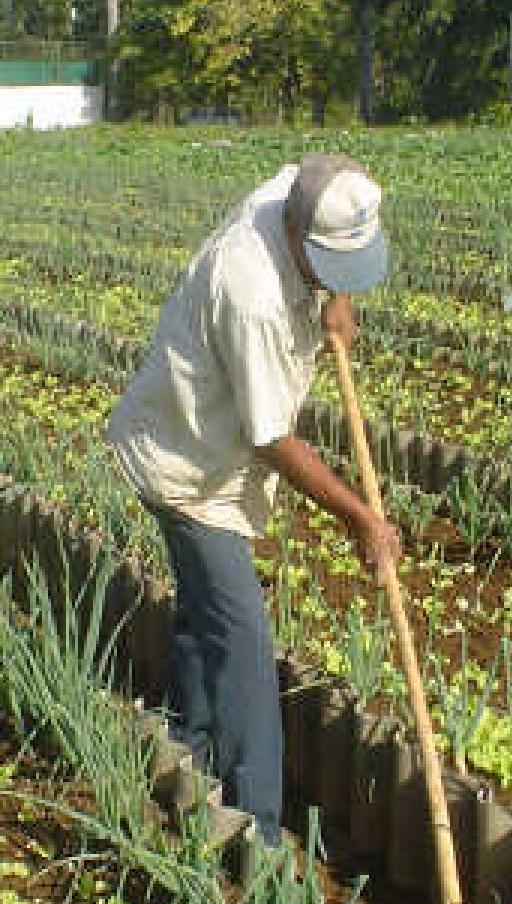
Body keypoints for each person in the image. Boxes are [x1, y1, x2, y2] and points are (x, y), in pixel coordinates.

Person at [105, 153, 403, 847]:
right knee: (241, 636)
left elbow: (320, 174)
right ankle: (255, 827)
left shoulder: (295, 192)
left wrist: (338, 295)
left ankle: (188, 744)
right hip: (186, 463)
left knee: (206, 610)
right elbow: (271, 435)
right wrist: (360, 515)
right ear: (297, 236)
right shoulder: (252, 293)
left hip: (211, 436)